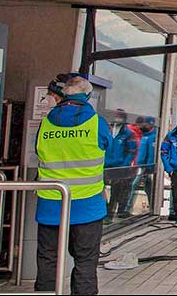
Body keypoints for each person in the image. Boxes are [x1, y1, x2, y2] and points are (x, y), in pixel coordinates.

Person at [35, 74, 112, 295]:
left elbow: (37, 151)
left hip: (51, 205)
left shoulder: (46, 123)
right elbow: (111, 151)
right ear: (87, 96)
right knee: (86, 263)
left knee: (48, 261)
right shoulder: (97, 123)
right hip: (87, 206)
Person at [104, 108, 138, 222]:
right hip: (105, 165)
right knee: (100, 190)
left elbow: (131, 151)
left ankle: (110, 214)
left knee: (116, 192)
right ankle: (104, 212)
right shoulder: (107, 130)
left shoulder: (128, 134)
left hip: (119, 167)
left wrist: (124, 165)